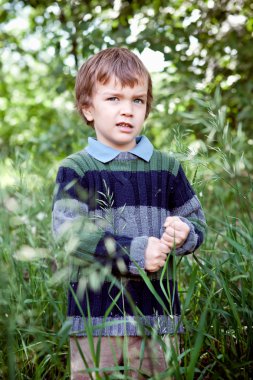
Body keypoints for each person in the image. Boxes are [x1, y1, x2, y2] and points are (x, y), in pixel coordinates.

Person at [52, 47, 206, 379]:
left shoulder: (167, 168)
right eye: (114, 99)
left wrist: (185, 233)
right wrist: (133, 252)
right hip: (95, 320)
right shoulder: (77, 169)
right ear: (88, 108)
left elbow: (196, 223)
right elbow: (69, 234)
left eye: (137, 100)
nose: (128, 110)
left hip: (158, 318)